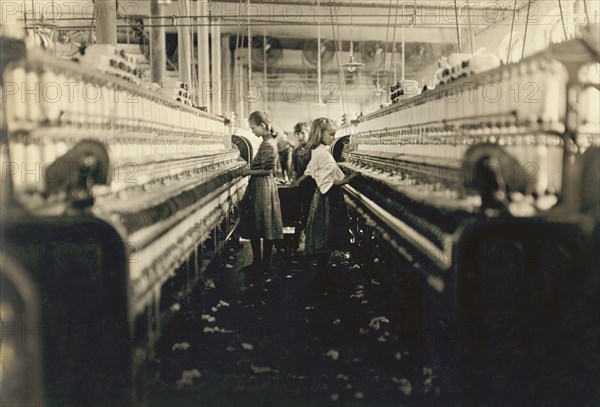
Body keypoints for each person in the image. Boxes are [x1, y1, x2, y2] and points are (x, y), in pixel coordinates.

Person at [293, 118, 359, 289]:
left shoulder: (318, 150)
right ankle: (321, 277)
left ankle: (322, 275)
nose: (333, 138)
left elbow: (312, 170)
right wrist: (349, 179)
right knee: (326, 237)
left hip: (324, 199)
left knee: (326, 239)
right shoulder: (323, 153)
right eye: (331, 134)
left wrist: (299, 180)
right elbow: (326, 183)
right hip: (327, 200)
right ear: (320, 134)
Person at [238, 111, 284, 272]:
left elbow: (268, 170)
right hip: (262, 186)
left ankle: (262, 264)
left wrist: (247, 172)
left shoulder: (267, 144)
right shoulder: (268, 142)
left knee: (261, 223)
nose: (252, 131)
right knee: (262, 224)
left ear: (263, 126)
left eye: (253, 128)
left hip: (261, 187)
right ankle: (260, 263)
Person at [290, 121, 316, 249]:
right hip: (301, 188)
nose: (300, 136)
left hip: (314, 187)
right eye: (297, 133)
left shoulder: (313, 150)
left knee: (311, 214)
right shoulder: (295, 152)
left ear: (309, 134)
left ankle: (310, 243)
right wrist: (293, 178)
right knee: (300, 214)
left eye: (303, 133)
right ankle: (297, 242)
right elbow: (294, 169)